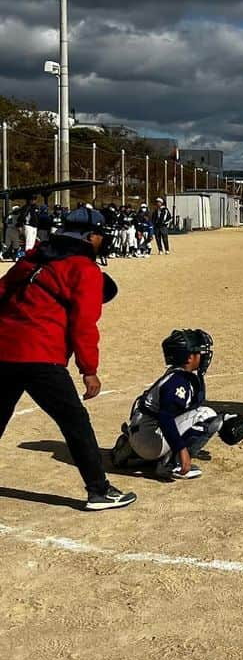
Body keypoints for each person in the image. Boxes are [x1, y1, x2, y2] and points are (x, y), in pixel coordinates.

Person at [0, 206, 136, 510]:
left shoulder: (33, 258)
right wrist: (89, 369)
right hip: (39, 355)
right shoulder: (84, 269)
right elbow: (83, 324)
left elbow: (2, 292)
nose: (104, 239)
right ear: (90, 237)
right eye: (101, 234)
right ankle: (99, 490)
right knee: (75, 423)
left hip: (4, 349)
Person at [112, 329, 223, 480]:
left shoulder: (174, 374)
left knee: (184, 414)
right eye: (200, 352)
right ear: (190, 357)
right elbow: (166, 418)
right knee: (206, 414)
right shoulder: (179, 383)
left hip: (139, 432)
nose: (204, 356)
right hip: (150, 442)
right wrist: (181, 449)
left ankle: (130, 449)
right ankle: (172, 463)